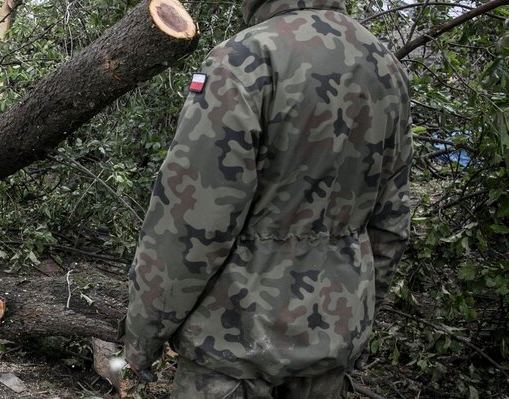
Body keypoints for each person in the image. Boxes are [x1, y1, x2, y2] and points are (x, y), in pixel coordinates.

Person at [121, 0, 412, 397]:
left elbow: (191, 222)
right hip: (330, 347)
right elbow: (390, 219)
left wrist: (143, 336)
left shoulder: (244, 58)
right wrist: (358, 317)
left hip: (233, 350)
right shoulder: (385, 65)